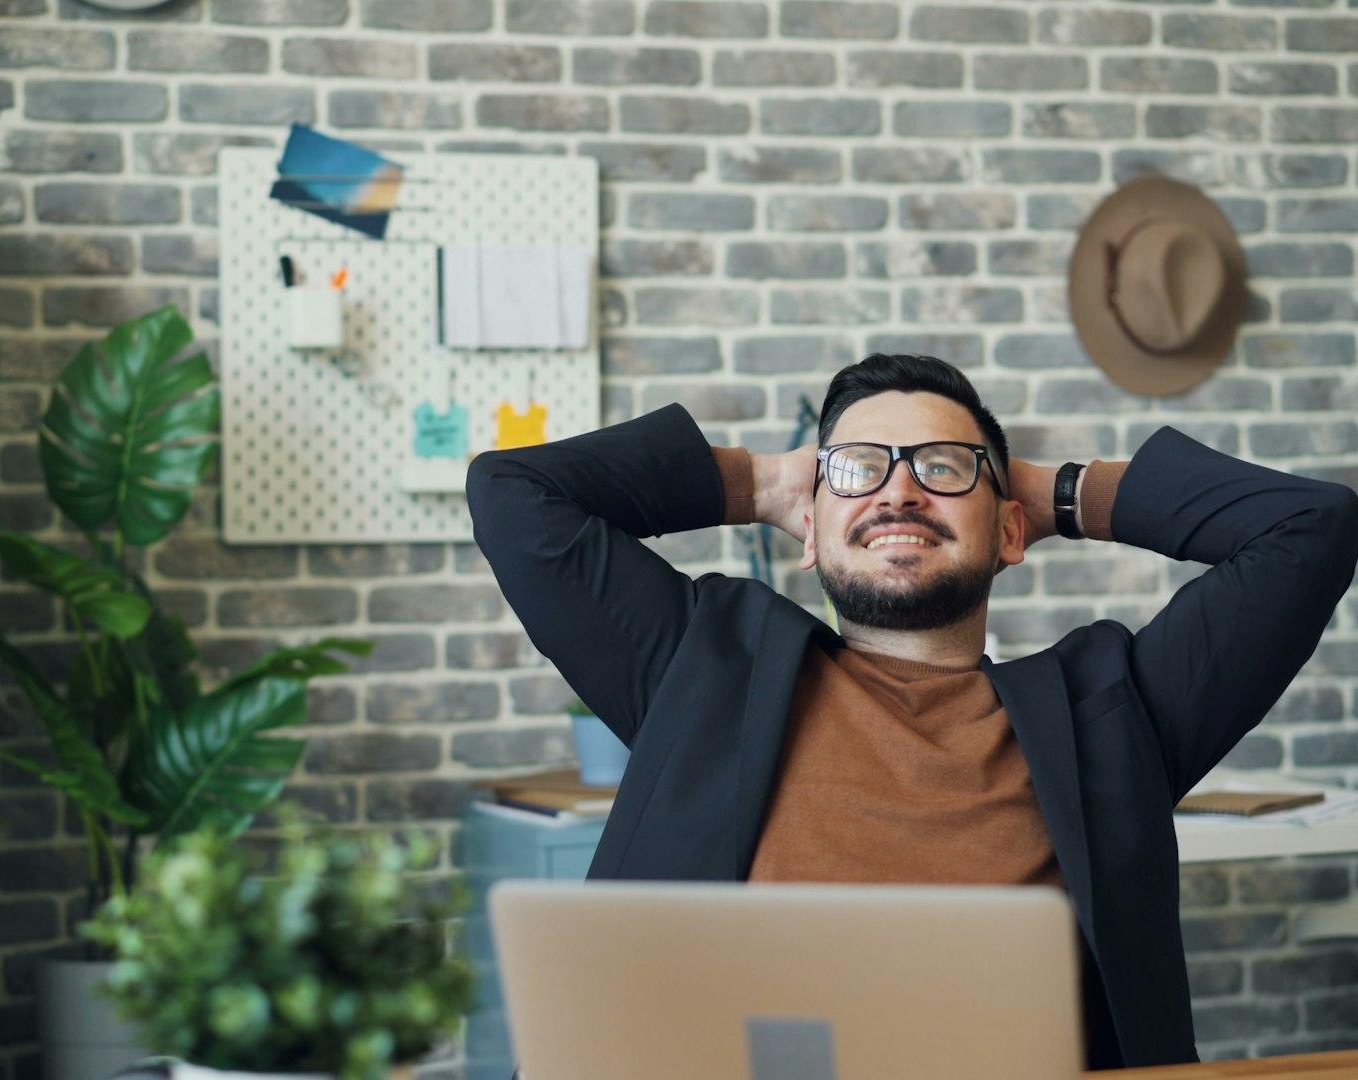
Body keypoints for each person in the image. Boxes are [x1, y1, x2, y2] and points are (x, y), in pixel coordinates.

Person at [466, 353, 1358, 1071]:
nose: (899, 492)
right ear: (807, 528)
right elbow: (513, 495)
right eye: (857, 469)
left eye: (942, 467)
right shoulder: (701, 666)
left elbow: (1310, 528)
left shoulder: (1115, 712)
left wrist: (1050, 491)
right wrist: (765, 480)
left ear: (1009, 532)